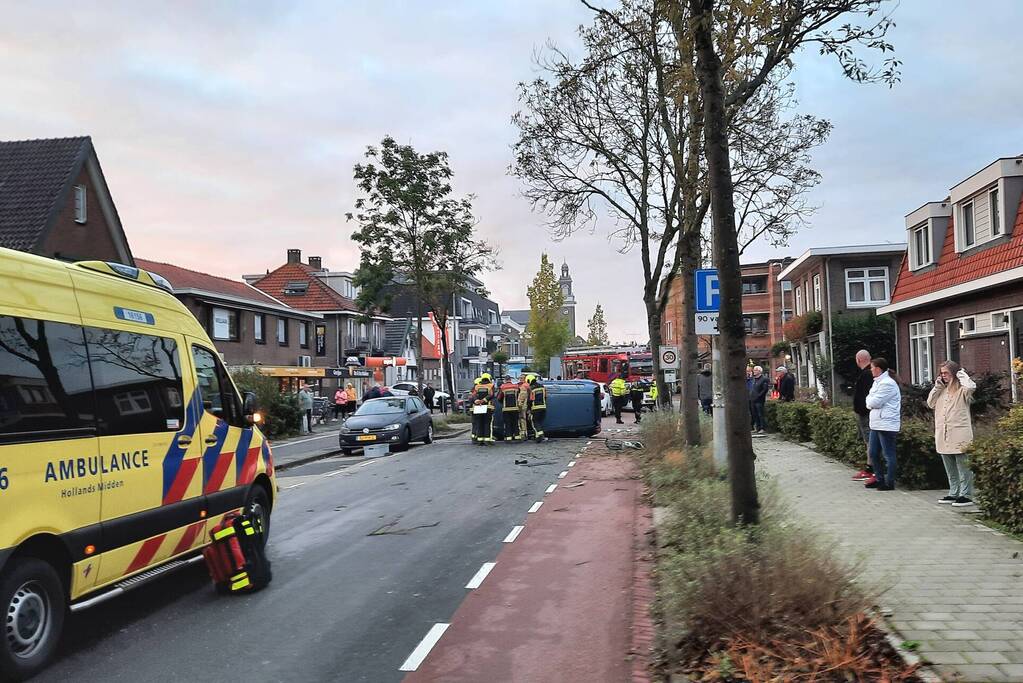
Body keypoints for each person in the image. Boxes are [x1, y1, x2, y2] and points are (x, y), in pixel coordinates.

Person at [928, 361, 977, 507]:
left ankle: (966, 494)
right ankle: (954, 492)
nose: (944, 376)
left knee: (964, 467)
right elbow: (930, 403)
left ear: (954, 374)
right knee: (950, 468)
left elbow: (971, 387)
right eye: (942, 373)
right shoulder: (941, 391)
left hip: (959, 433)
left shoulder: (962, 390)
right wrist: (937, 387)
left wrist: (961, 374)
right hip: (943, 434)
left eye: (946, 373)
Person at [865, 357, 901, 491]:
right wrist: (870, 401)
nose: (870, 370)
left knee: (888, 454)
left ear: (878, 369)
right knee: (873, 453)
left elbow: (874, 402)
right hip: (876, 423)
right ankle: (879, 479)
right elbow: (869, 399)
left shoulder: (887, 384)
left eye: (872, 368)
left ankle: (889, 482)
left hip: (886, 423)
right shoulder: (877, 382)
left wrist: (870, 402)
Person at [851, 350, 875, 483]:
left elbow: (865, 395)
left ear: (858, 360)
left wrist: (861, 410)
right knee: (868, 440)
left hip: (865, 414)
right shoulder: (869, 373)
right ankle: (870, 468)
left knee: (869, 441)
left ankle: (871, 469)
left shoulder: (866, 374)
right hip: (866, 412)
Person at [470, 373, 496, 445]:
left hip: (478, 407)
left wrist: (476, 400)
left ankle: (480, 440)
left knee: (479, 423)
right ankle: (487, 440)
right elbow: (491, 395)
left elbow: (473, 395)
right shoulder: (491, 386)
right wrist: (483, 400)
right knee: (487, 423)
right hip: (487, 407)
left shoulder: (477, 386)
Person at [497, 377, 521, 441]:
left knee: (507, 423)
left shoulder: (502, 387)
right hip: (515, 408)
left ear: (505, 380)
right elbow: (519, 395)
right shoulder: (516, 386)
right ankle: (517, 436)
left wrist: (502, 402)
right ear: (510, 380)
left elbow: (499, 398)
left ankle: (508, 437)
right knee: (515, 422)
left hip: (506, 408)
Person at [748, 366, 769, 434]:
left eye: (756, 370)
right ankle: (758, 427)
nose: (754, 371)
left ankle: (763, 428)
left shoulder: (764, 379)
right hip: (752, 399)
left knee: (760, 414)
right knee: (754, 414)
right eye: (754, 370)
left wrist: (759, 396)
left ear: (760, 371)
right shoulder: (754, 379)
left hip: (759, 400)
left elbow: (765, 389)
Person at [528, 375, 547, 442]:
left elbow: (530, 400)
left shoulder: (531, 389)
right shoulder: (542, 387)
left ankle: (541, 436)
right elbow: (545, 397)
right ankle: (537, 437)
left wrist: (529, 409)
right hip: (543, 407)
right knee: (539, 423)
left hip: (535, 408)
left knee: (535, 422)